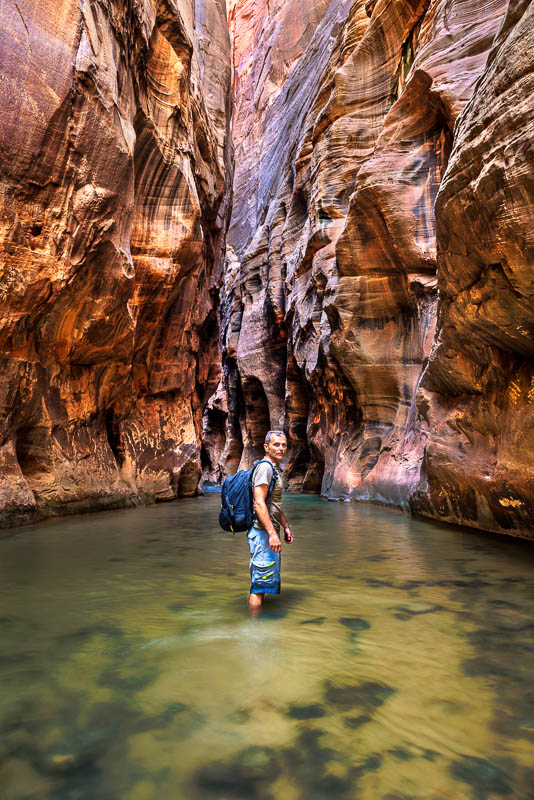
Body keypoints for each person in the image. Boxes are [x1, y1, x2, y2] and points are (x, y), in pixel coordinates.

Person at [248, 430, 294, 609]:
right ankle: (254, 628)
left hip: (267, 533)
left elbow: (273, 503)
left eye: (284, 445)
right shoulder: (265, 468)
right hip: (262, 534)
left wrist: (286, 527)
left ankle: (258, 626)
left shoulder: (273, 469)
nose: (281, 448)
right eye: (276, 444)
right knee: (259, 586)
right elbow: (259, 503)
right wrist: (272, 534)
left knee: (264, 581)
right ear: (266, 447)